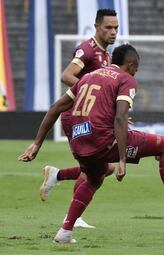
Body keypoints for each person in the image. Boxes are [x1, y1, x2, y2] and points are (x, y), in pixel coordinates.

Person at [18, 44, 164, 243]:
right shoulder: (127, 79)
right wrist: (123, 158)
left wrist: (37, 143)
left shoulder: (88, 77)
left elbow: (56, 108)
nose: (136, 73)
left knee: (94, 177)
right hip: (103, 140)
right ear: (131, 65)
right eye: (136, 69)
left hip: (78, 140)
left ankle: (65, 231)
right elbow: (120, 118)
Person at [41, 8, 119, 228]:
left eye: (116, 28)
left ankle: (57, 178)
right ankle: (71, 217)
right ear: (97, 27)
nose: (113, 32)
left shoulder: (106, 55)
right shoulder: (87, 49)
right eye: (108, 28)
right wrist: (87, 91)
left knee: (104, 168)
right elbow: (67, 75)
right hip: (77, 116)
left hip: (89, 117)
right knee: (98, 167)